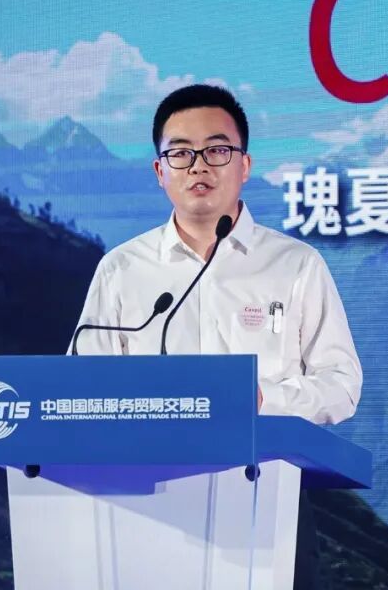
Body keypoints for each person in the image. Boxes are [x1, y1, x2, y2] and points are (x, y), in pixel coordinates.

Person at [70, 83, 361, 587]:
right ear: (159, 171)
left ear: (244, 165)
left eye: (217, 150)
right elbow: (84, 386)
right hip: (146, 503)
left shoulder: (295, 265)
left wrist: (263, 399)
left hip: (267, 497)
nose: (198, 166)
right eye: (181, 153)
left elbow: (342, 383)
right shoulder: (121, 269)